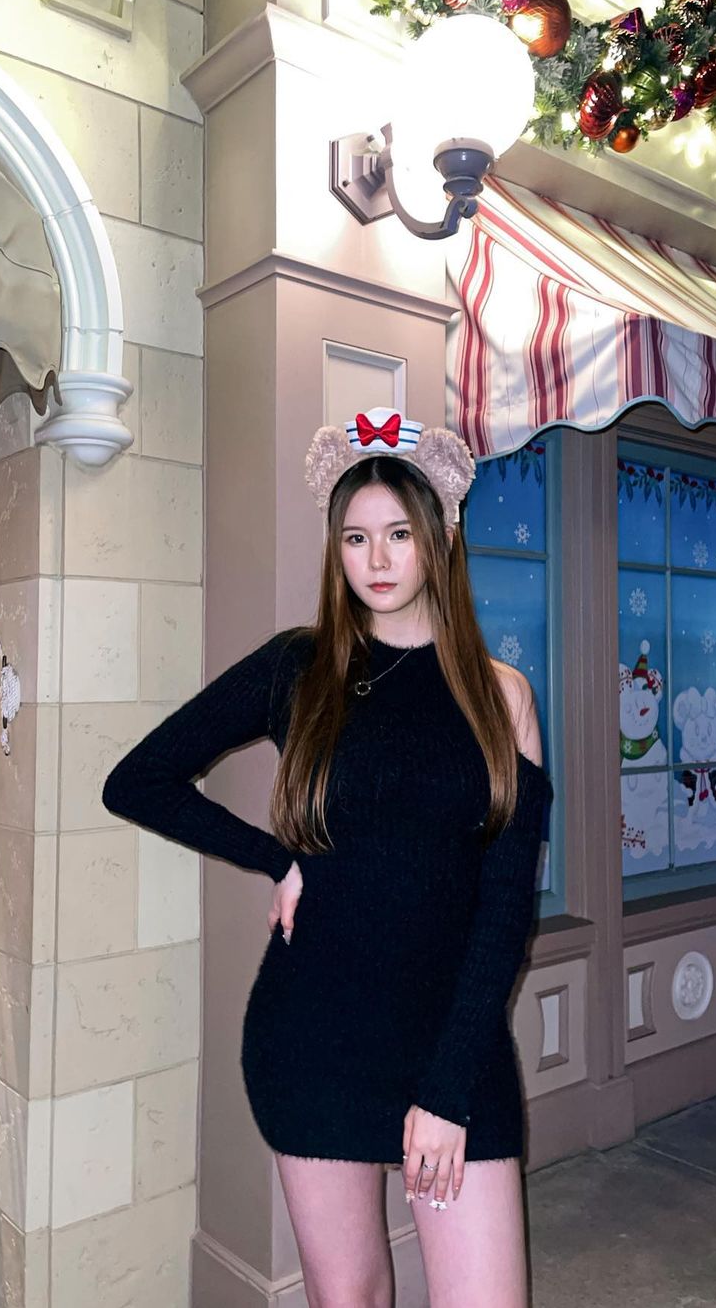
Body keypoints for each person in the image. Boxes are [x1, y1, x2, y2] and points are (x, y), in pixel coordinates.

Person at [102, 407, 552, 1308]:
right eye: (355, 537)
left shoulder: (501, 698)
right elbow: (138, 779)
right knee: (347, 1299)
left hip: (453, 1039)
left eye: (399, 534)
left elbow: (506, 907)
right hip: (315, 1036)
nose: (377, 559)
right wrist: (276, 859)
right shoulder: (297, 669)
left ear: (442, 539)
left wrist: (448, 1088)